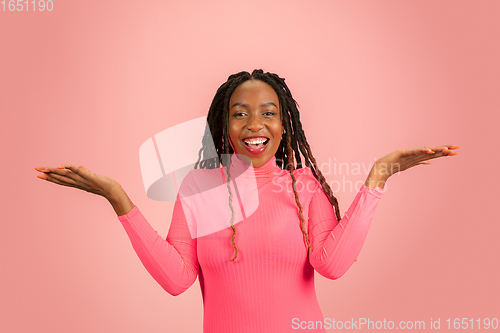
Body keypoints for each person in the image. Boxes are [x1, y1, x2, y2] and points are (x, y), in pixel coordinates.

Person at [35, 69, 459, 332]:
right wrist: (117, 197)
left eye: (268, 112)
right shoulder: (198, 188)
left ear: (284, 123)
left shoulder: (304, 185)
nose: (254, 124)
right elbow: (176, 279)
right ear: (224, 123)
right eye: (240, 113)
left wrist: (378, 178)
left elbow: (331, 265)